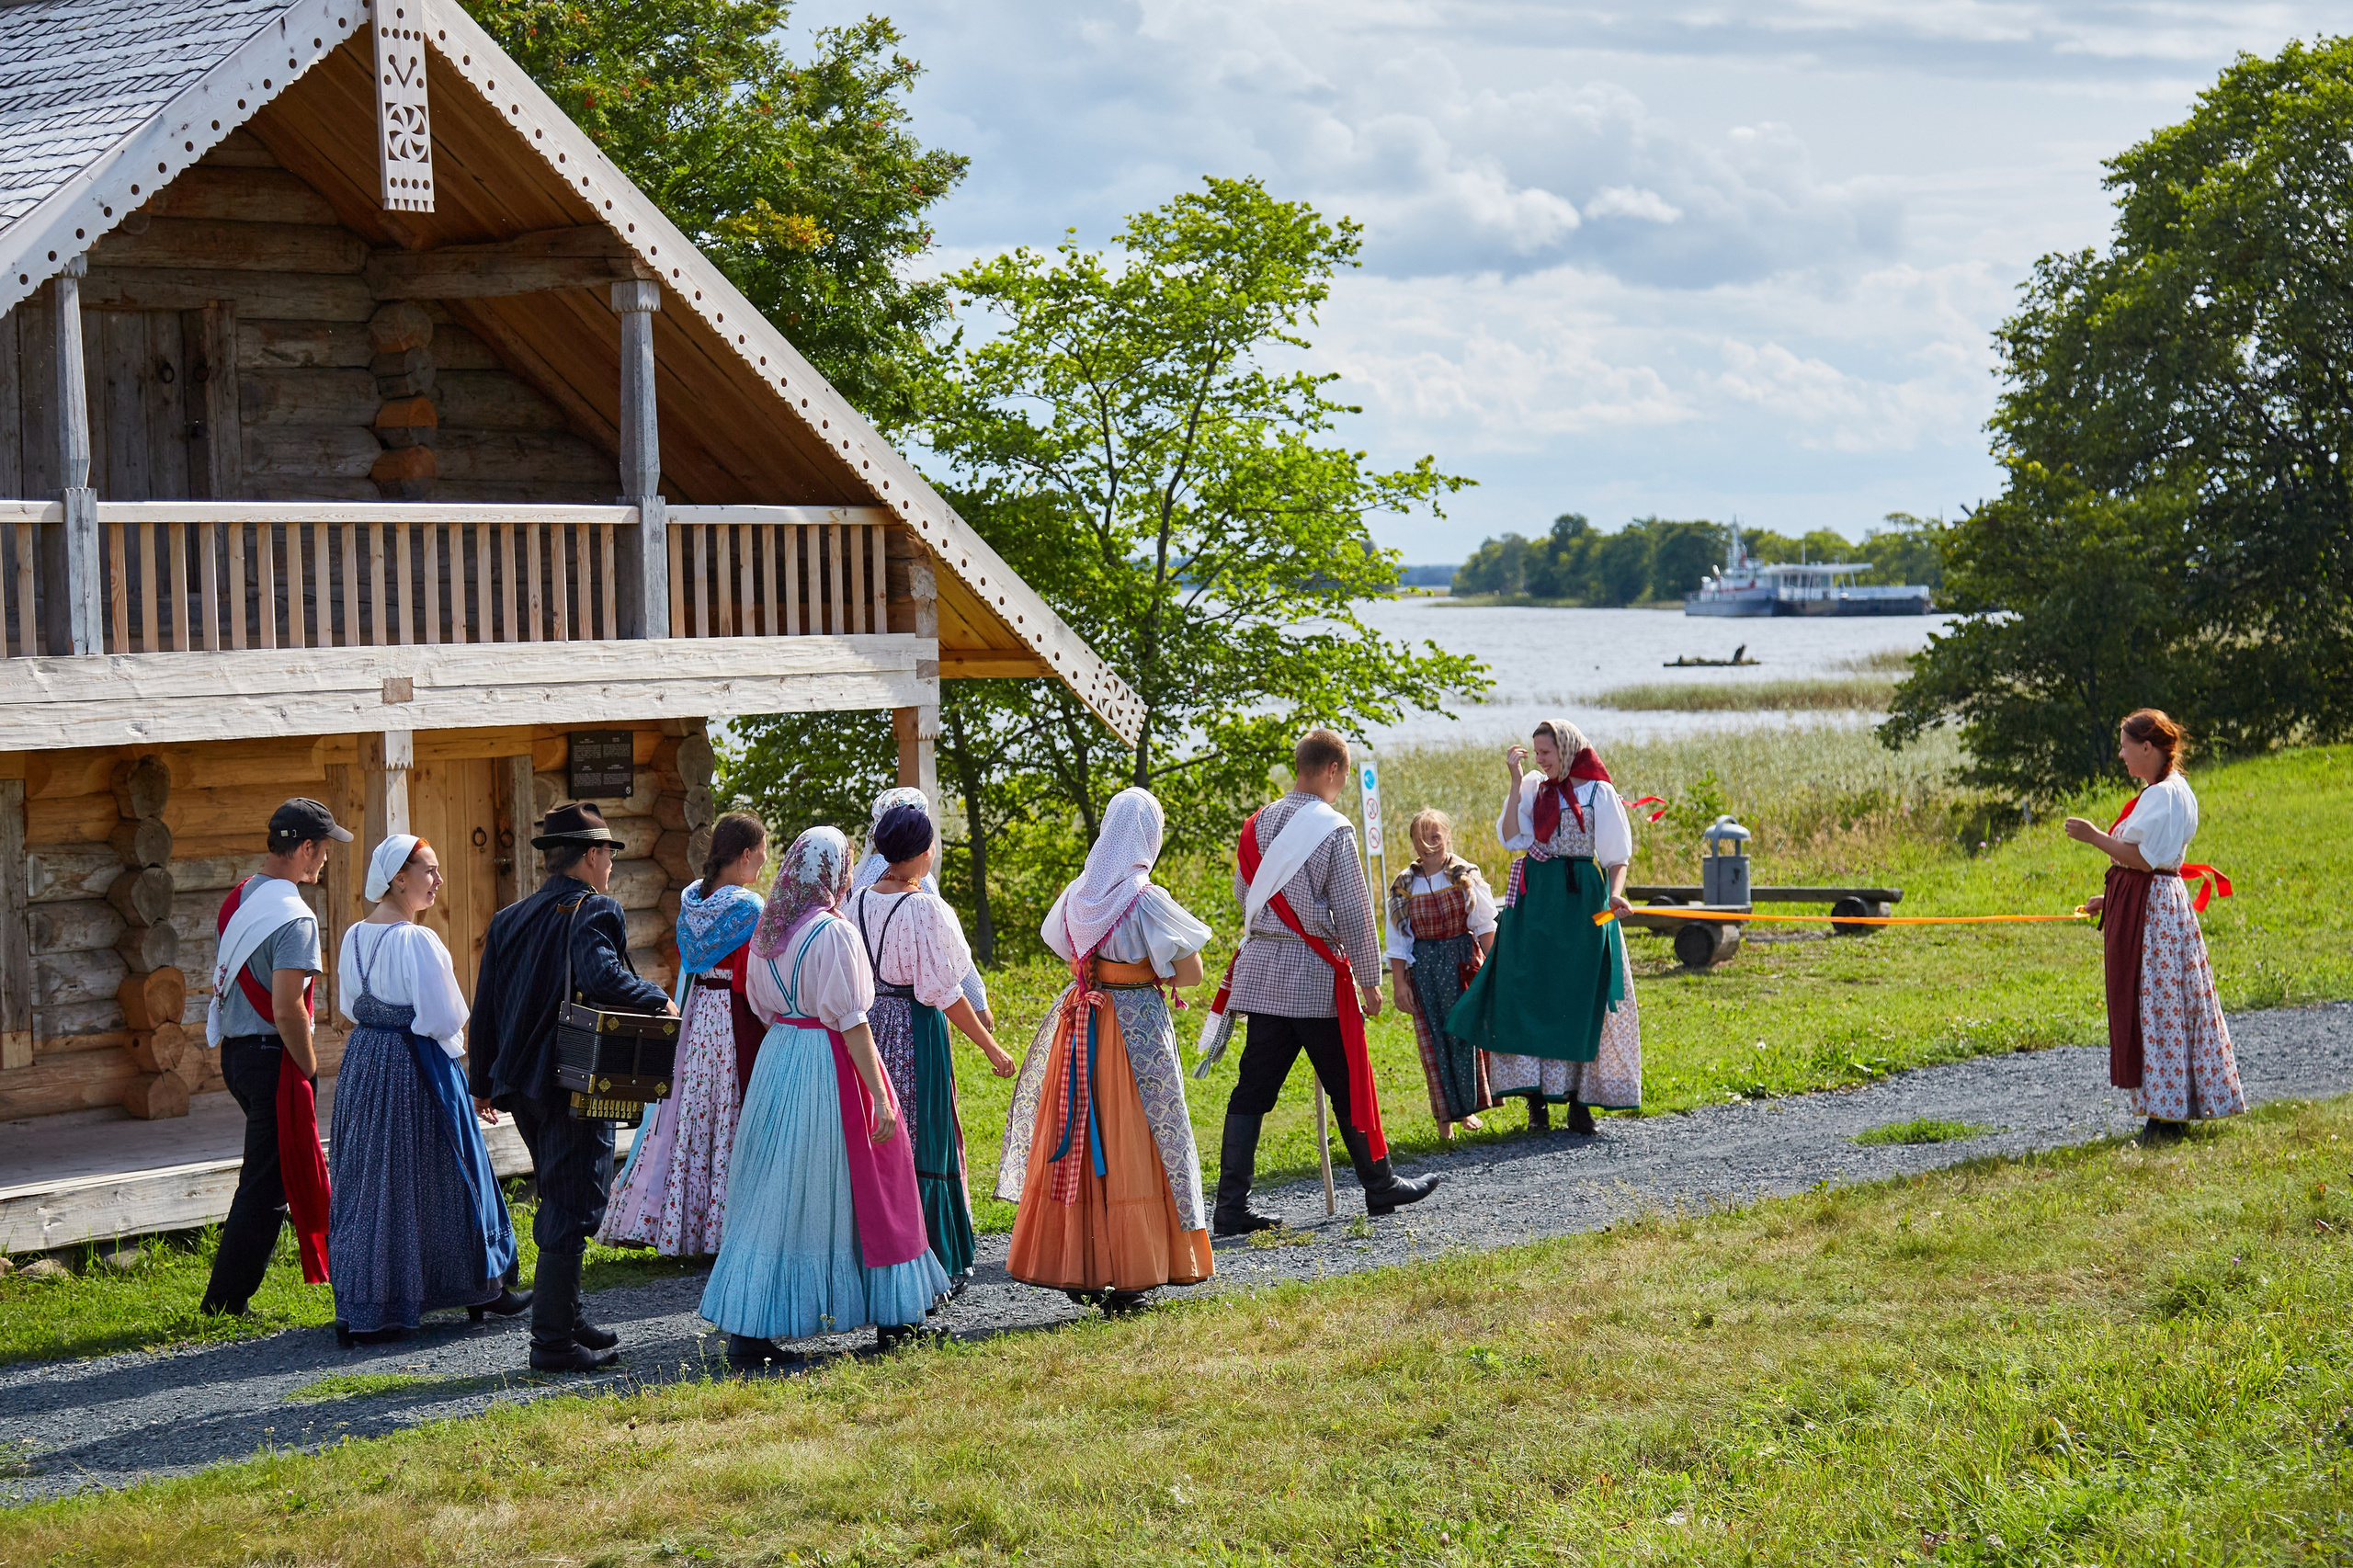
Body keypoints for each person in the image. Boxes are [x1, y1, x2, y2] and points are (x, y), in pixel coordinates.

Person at [701, 828, 949, 1366]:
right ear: (834, 872)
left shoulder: (769, 930)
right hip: (829, 1060)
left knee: (779, 1191)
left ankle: (753, 1326)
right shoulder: (833, 933)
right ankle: (895, 1319)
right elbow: (852, 1021)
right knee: (873, 1184)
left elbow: (763, 1008)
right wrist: (881, 1098)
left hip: (780, 1056)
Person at [1201, 728, 1436, 1233]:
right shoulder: (1334, 829)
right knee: (1347, 1083)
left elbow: (1247, 898)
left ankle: (1229, 1207)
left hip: (1262, 974)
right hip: (1313, 978)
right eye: (1344, 774)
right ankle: (1380, 1185)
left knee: (1252, 1090)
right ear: (1333, 769)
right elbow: (1352, 911)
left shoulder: (1255, 825)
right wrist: (1371, 980)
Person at [471, 801, 675, 1372]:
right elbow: (601, 976)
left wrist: (482, 1081)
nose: (610, 864)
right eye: (609, 852)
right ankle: (553, 1344)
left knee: (564, 1189)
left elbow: (484, 1005)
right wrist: (656, 998)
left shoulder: (510, 917)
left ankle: (569, 1313)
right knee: (573, 1199)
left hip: (523, 1085)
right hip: (573, 1079)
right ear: (591, 855)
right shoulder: (594, 910)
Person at [998, 787, 1215, 1312]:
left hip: (1080, 1023)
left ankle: (1082, 1266)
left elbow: (1060, 942)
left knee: (1077, 1132)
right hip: (1133, 1026)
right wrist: (1150, 972)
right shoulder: (1143, 898)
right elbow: (1190, 972)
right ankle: (1134, 1270)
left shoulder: (1079, 894)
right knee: (1133, 1137)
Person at [328, 835, 526, 1346]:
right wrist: (462, 1075)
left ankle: (370, 1300)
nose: (438, 882)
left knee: (375, 1177)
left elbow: (352, 1008)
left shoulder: (352, 936)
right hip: (417, 1065)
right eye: (430, 871)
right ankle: (482, 1288)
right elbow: (443, 1018)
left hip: (366, 1062)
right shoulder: (416, 941)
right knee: (451, 1170)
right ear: (399, 877)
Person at [847, 802, 1014, 1289]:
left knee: (885, 1138)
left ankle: (884, 1251)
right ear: (924, 852)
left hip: (873, 1029)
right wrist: (990, 1047)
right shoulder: (924, 908)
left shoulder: (856, 900)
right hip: (917, 1032)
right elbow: (946, 992)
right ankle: (934, 1258)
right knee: (928, 1140)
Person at [1449, 720, 1642, 1134]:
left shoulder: (1597, 791)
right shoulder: (1535, 787)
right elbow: (1511, 837)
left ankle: (1579, 1101)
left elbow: (1616, 856)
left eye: (1546, 753)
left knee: (1578, 992)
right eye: (1536, 753)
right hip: (1534, 899)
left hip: (1582, 901)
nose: (1540, 759)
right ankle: (1536, 1102)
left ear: (1567, 750)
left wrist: (1614, 894)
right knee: (1530, 990)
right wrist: (1517, 779)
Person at [199, 798, 351, 1317]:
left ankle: (231, 1294)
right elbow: (288, 1009)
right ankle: (225, 1301)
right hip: (273, 1058)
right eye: (325, 849)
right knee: (265, 1183)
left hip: (239, 1056)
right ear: (305, 849)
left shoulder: (237, 899)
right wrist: (309, 1066)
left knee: (272, 1173)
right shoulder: (296, 918)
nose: (326, 860)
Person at [2066, 709, 2246, 1142]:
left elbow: (2144, 860)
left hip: (2154, 912)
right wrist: (2109, 899)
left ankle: (2166, 1119)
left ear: (2148, 747)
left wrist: (2093, 836)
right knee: (2165, 1005)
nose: (2121, 754)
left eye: (2126, 746)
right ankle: (2170, 1110)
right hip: (2157, 904)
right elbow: (2154, 863)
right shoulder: (2170, 791)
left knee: (2158, 1008)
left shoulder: (2163, 795)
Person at [600, 812, 770, 1257]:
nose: (766, 862)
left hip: (696, 1016)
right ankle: (720, 1228)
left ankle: (680, 1223)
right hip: (732, 1016)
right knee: (726, 1111)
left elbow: (692, 962)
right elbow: (753, 974)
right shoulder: (748, 908)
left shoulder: (692, 899)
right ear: (746, 854)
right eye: (763, 852)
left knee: (690, 1113)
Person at [1383, 809, 1497, 1141]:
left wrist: (1495, 967)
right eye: (1421, 839)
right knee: (1433, 1042)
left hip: (1463, 962)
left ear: (1447, 836)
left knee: (1464, 1035)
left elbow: (1484, 925)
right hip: (1426, 970)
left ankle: (1469, 1109)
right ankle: (1444, 1120)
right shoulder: (1404, 885)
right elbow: (1398, 940)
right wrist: (1399, 982)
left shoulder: (1465, 874)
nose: (1428, 845)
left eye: (1435, 837)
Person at [853, 786, 995, 1030]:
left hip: (870, 1010)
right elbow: (940, 948)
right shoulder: (916, 879)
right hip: (914, 1014)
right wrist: (978, 1002)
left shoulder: (858, 875)